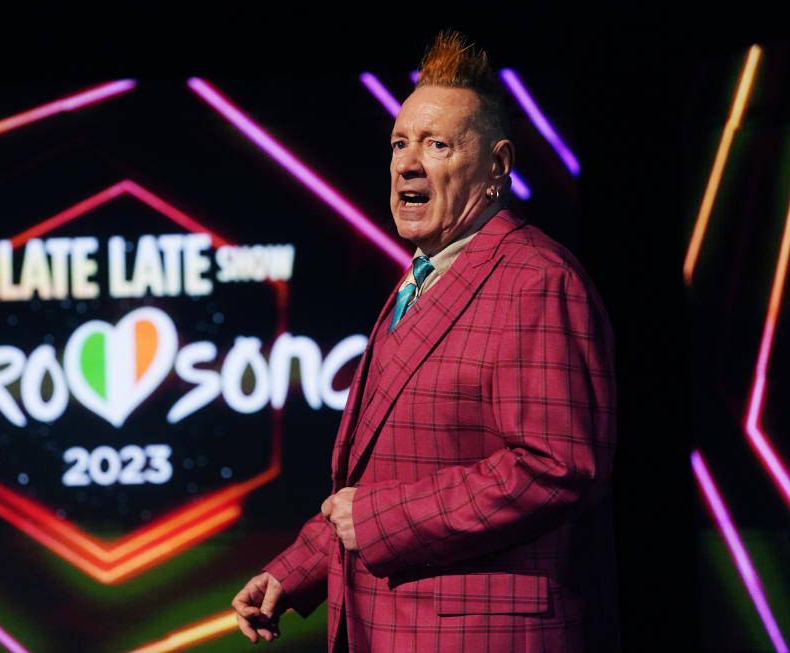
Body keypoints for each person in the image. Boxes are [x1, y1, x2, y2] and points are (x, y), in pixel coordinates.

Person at [232, 31, 619, 652]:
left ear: (497, 166)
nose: (408, 162)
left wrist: (383, 518)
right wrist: (294, 572)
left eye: (436, 144)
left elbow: (558, 468)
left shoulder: (537, 280)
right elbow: (381, 475)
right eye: (400, 143)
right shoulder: (421, 279)